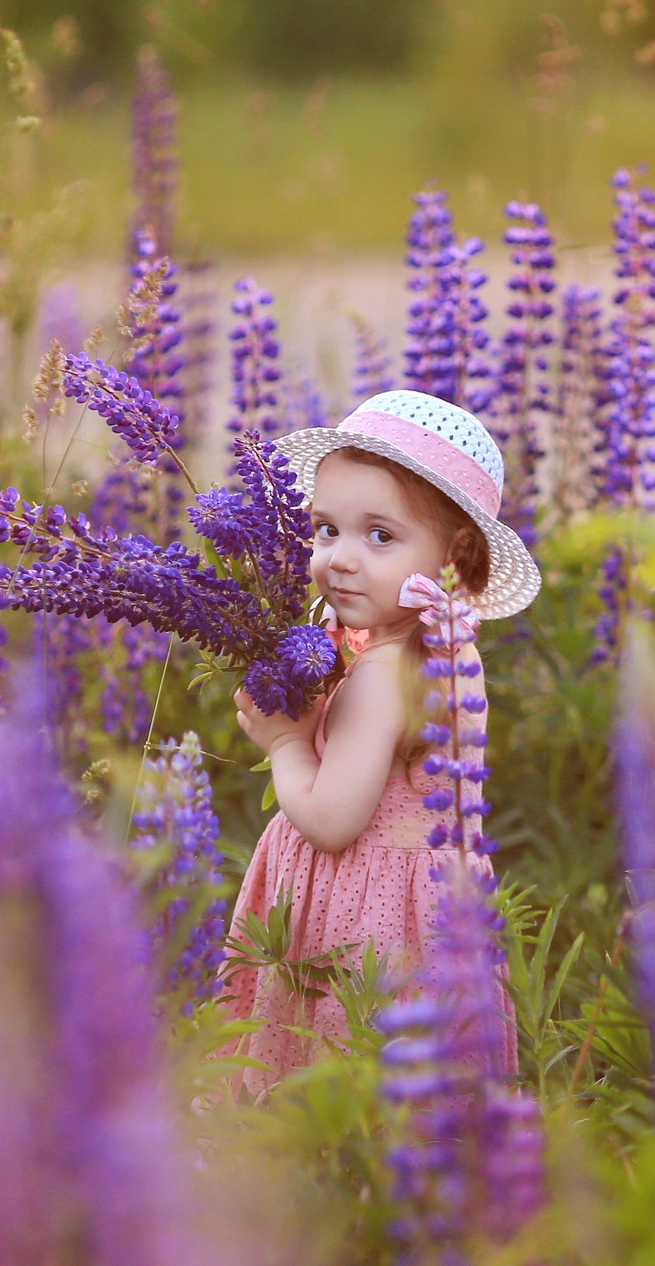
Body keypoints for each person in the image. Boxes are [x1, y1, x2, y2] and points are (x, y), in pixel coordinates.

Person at [221, 390, 543, 1088]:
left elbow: (333, 820)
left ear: (455, 557)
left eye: (379, 536)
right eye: (326, 529)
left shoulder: (384, 674)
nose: (338, 557)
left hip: (364, 927)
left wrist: (284, 745)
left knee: (335, 1091)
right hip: (433, 913)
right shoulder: (440, 650)